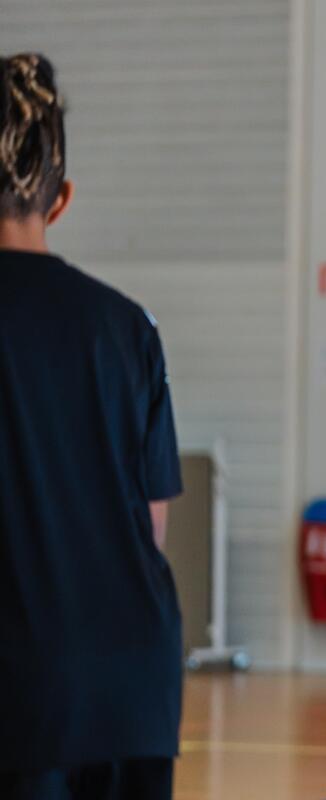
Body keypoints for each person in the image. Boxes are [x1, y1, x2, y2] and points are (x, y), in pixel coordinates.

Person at [0, 53, 183, 799]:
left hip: (21, 686)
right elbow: (152, 525)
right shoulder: (127, 326)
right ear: (62, 197)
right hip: (134, 684)